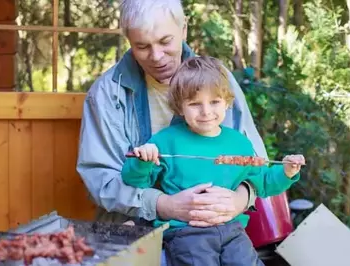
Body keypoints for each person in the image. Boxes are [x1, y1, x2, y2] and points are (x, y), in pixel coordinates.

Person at [77, 0, 266, 263]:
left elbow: (256, 162)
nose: (156, 56)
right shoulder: (107, 93)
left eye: (165, 41)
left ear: (184, 29)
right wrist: (164, 205)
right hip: (135, 232)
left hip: (218, 234)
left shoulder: (219, 81)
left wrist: (240, 198)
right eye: (142, 46)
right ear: (129, 40)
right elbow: (101, 180)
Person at [121, 56, 305, 266]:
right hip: (186, 233)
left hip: (232, 230)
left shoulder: (239, 143)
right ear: (180, 107)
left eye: (214, 102)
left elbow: (262, 182)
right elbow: (135, 181)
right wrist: (142, 161)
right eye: (194, 104)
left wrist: (287, 172)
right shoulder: (164, 142)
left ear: (227, 102)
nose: (206, 111)